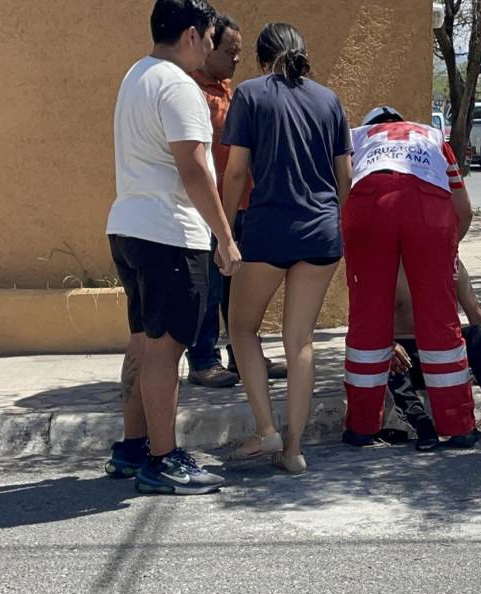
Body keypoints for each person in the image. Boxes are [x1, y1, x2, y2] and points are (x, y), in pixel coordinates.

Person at [102, 0, 240, 494]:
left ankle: (133, 446)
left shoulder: (135, 75)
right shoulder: (181, 86)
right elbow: (195, 168)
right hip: (168, 233)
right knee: (166, 350)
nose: (210, 45)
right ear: (189, 35)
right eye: (207, 36)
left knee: (143, 339)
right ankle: (163, 460)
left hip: (128, 226)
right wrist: (224, 237)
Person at [221, 23, 351, 474]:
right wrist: (341, 226)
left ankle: (266, 429)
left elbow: (237, 173)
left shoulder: (250, 95)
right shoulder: (329, 100)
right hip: (322, 232)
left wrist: (222, 230)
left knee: (241, 329)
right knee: (300, 341)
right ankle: (293, 450)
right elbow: (345, 177)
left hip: (269, 230)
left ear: (261, 59)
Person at [340, 106, 478, 450]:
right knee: (440, 320)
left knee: (367, 321)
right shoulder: (432, 137)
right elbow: (464, 211)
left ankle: (360, 426)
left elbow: (345, 200)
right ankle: (458, 425)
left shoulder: (355, 140)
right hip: (429, 212)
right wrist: (439, 251)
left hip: (371, 208)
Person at [184, 15, 287, 388]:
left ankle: (245, 357)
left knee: (240, 288)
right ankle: (202, 358)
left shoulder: (230, 90)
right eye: (229, 52)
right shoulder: (191, 90)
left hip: (244, 206)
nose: (234, 60)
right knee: (209, 286)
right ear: (207, 47)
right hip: (211, 207)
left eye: (239, 54)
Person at [386, 260, 481, 451]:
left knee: (478, 335)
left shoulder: (450, 261)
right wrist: (388, 344)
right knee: (388, 358)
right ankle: (422, 425)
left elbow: (476, 314)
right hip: (405, 354)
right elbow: (366, 320)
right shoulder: (386, 262)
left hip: (444, 349)